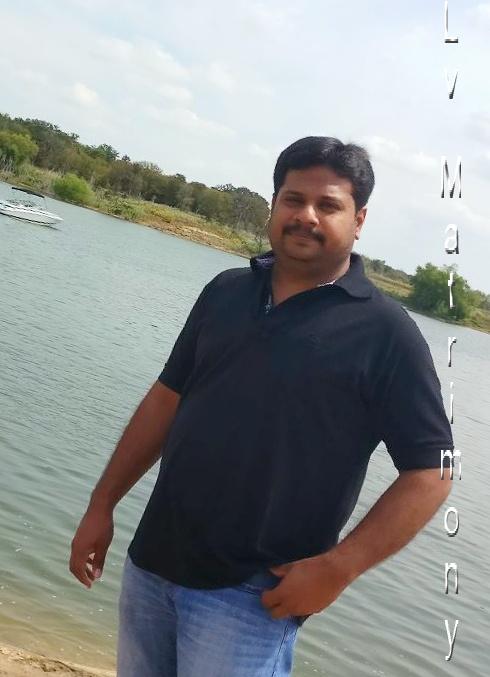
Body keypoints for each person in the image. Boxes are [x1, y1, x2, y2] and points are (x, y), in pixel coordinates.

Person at [70, 136, 454, 677]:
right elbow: (165, 399)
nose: (306, 216)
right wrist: (102, 503)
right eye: (293, 199)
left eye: (328, 205)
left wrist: (338, 569)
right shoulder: (226, 291)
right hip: (152, 563)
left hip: (255, 596)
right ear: (274, 205)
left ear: (359, 220)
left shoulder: (385, 333)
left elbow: (433, 471)